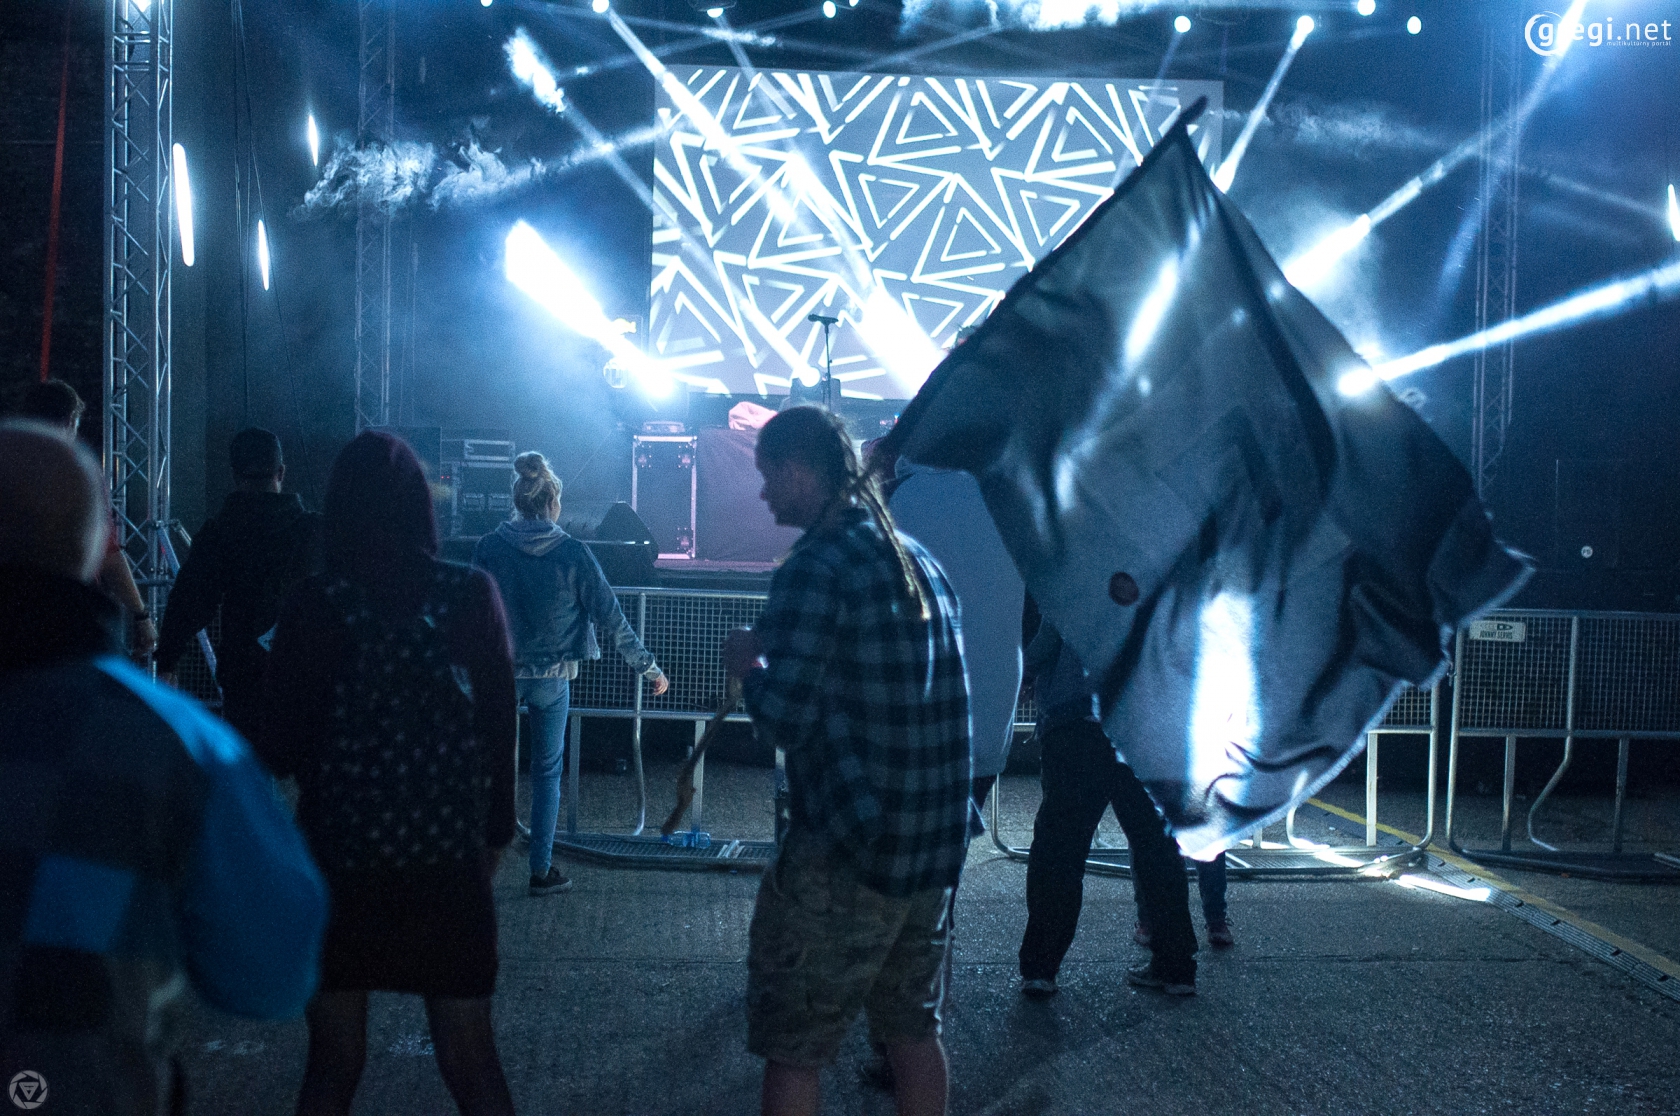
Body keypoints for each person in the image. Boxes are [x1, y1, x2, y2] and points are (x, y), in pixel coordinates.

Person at [0, 420, 327, 1115]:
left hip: (242, 677)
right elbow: (272, 973)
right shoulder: (174, 744)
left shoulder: (222, 531)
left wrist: (170, 649)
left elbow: (194, 596)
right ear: (97, 546)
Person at [721, 407, 970, 1116]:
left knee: (795, 1047)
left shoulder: (816, 568)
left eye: (770, 474)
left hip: (849, 852)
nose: (764, 493)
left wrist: (748, 667)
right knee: (913, 1032)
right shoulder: (918, 560)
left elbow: (786, 717)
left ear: (803, 471)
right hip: (931, 847)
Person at [261, 431, 518, 1116]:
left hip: (339, 862)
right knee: (471, 1057)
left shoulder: (316, 602)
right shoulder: (469, 592)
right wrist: (495, 831)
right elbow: (500, 727)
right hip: (447, 863)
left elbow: (279, 746)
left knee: (333, 1061)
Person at [471, 450, 669, 896]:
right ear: (552, 502)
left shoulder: (488, 548)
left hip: (499, 675)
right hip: (552, 677)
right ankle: (540, 871)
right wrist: (649, 668)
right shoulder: (574, 553)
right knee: (547, 774)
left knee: (488, 770)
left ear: (518, 500)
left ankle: (476, 870)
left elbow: (468, 613)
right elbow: (612, 619)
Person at [1016, 620, 1199, 998]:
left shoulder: (1078, 585)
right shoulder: (1160, 584)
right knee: (1156, 847)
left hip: (1077, 724)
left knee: (1060, 849)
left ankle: (1041, 968)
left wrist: (1025, 668)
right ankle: (1176, 967)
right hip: (1146, 725)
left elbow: (1048, 640)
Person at [155, 427, 322, 741]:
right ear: (281, 472)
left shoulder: (220, 534)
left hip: (245, 679)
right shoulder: (314, 532)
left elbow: (189, 601)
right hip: (307, 675)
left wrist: (167, 661)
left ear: (234, 476)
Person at [7, 379, 156, 656]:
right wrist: (141, 616)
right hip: (68, 619)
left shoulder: (9, 467)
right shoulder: (78, 473)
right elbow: (108, 554)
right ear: (69, 421)